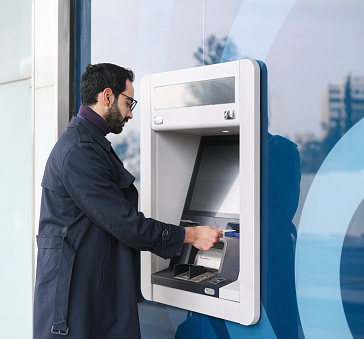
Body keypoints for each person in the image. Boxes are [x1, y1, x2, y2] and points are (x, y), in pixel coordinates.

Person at [33, 63, 223, 338]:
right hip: (75, 307)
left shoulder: (88, 144)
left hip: (88, 294)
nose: (131, 113)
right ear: (107, 96)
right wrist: (190, 235)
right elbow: (124, 222)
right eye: (128, 102)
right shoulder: (79, 151)